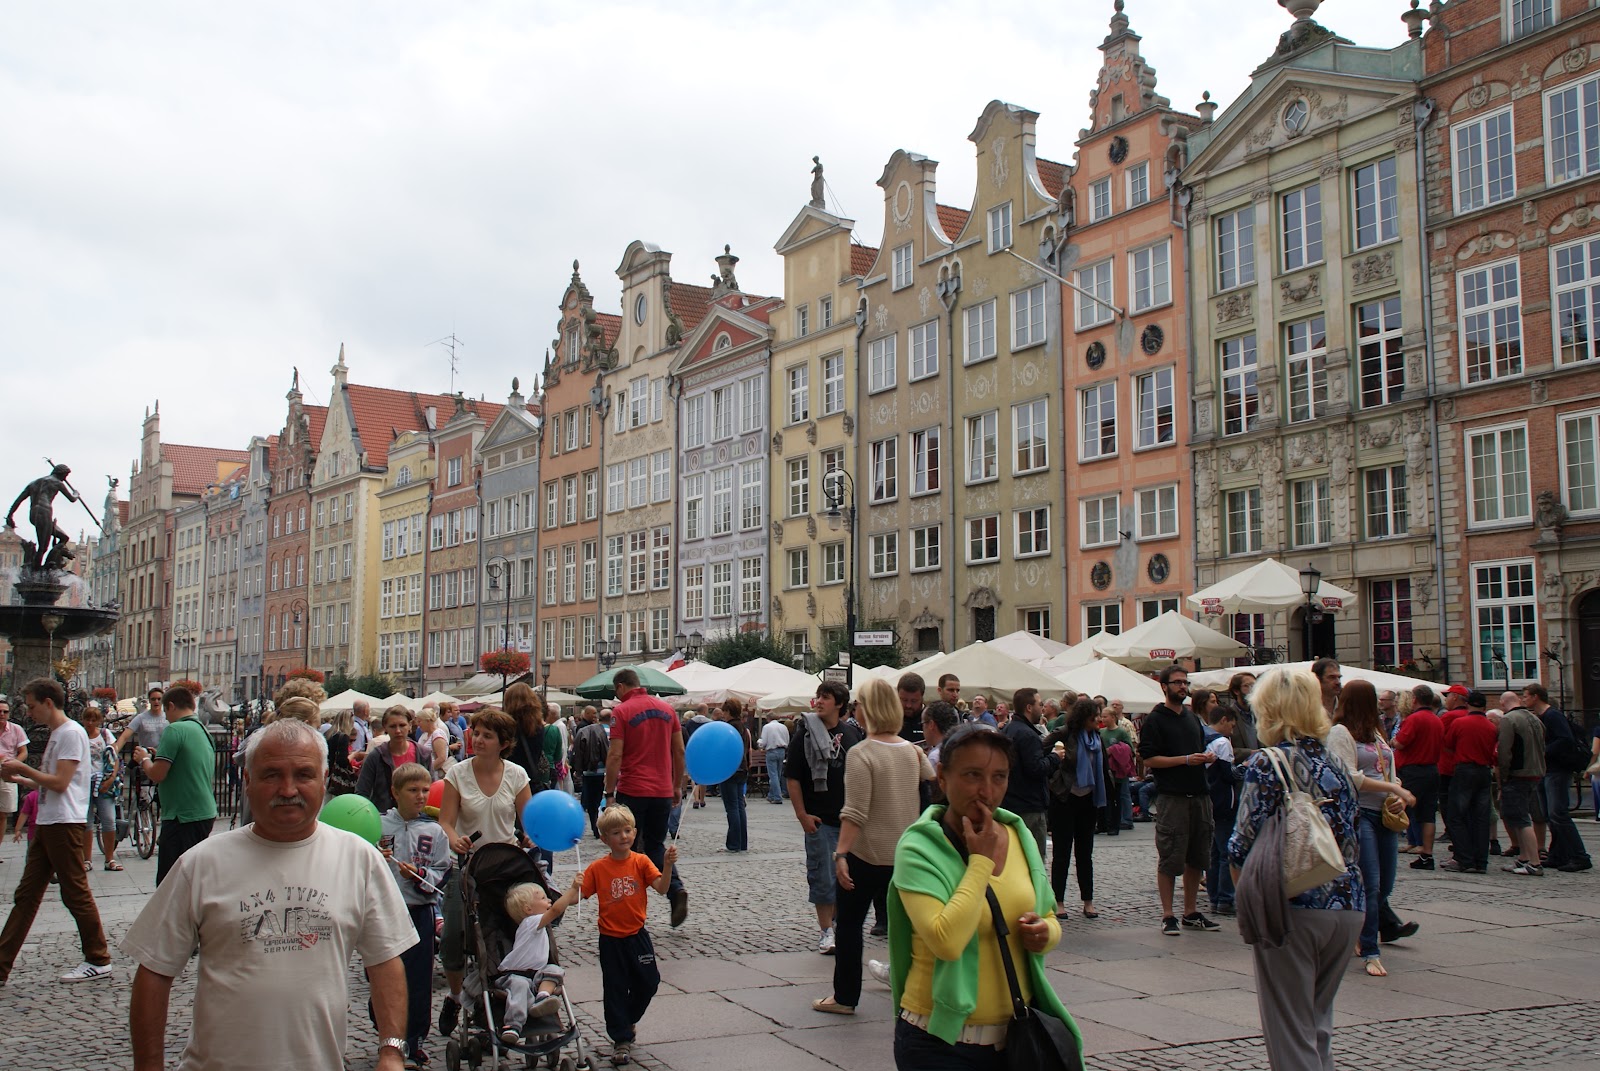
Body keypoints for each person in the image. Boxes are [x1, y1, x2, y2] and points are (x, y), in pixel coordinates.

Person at [124, 717, 418, 1071]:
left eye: (304, 775)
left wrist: (391, 1050)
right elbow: (155, 970)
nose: (288, 789)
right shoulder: (201, 864)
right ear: (247, 782)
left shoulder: (359, 858)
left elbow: (384, 960)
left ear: (324, 780)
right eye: (271, 775)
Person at [887, 722, 1079, 1069]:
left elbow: (1047, 913)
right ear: (943, 776)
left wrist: (1044, 932)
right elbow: (945, 940)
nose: (986, 791)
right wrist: (980, 863)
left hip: (1015, 1040)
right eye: (973, 775)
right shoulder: (918, 847)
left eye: (999, 777)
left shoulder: (1018, 834)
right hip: (940, 1045)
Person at [1228, 668, 1364, 1071]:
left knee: (1290, 1032)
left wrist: (1246, 901)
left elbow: (1241, 843)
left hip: (1292, 904)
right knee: (1317, 1026)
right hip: (1346, 905)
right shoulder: (1337, 763)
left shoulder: (1268, 762)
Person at [812, 678, 933, 1016]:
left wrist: (841, 853)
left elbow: (855, 812)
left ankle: (845, 997)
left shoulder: (862, 753)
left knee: (850, 926)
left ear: (870, 709)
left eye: (859, 705)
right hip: (904, 854)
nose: (855, 711)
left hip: (866, 854)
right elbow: (933, 778)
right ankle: (915, 991)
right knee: (907, 927)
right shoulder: (912, 751)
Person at [0, 678, 113, 984]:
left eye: (33, 706)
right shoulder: (59, 733)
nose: (30, 712)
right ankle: (1, 965)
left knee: (74, 892)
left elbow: (61, 783)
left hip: (64, 822)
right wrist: (21, 778)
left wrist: (23, 770)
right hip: (51, 821)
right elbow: (52, 781)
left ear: (48, 703)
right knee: (27, 895)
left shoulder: (71, 733)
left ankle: (98, 958)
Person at [436, 708, 534, 1036]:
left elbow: (528, 819)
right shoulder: (457, 774)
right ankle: (455, 995)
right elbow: (446, 822)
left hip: (505, 866)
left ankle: (510, 996)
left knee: (507, 936)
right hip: (466, 867)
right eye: (475, 732)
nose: (477, 739)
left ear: (503, 743)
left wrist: (529, 834)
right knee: (452, 939)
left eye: (486, 735)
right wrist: (455, 839)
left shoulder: (517, 775)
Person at [1326, 680, 1419, 976]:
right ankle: (1370, 950)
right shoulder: (1340, 733)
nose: (1381, 703)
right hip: (1360, 813)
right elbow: (1350, 776)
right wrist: (1394, 788)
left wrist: (1397, 794)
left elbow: (1390, 769)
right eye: (1374, 699)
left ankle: (1355, 930)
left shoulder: (1377, 734)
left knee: (1386, 884)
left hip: (1384, 812)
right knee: (1371, 882)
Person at [577, 804, 678, 1066]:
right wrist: (566, 896)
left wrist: (666, 865)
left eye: (627, 830)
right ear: (604, 839)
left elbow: (662, 888)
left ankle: (627, 1019)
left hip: (637, 935)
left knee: (649, 982)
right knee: (615, 989)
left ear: (635, 832)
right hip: (610, 939)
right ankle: (621, 1038)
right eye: (616, 833)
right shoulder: (599, 868)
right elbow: (580, 894)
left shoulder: (642, 861)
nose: (623, 836)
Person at [1138, 665, 1219, 936]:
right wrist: (1184, 760)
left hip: (1199, 793)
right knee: (1171, 856)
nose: (1182, 687)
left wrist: (1206, 757)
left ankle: (1191, 911)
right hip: (1173, 797)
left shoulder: (1191, 718)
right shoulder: (1155, 720)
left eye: (1185, 682)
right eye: (1177, 683)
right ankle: (1168, 914)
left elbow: (1197, 749)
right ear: (1164, 686)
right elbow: (1148, 759)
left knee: (1198, 856)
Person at [605, 668, 688, 928]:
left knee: (624, 846)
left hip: (633, 788)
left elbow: (615, 755)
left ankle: (630, 906)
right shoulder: (667, 710)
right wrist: (676, 785)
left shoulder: (621, 711)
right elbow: (679, 751)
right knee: (654, 845)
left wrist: (609, 793)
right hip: (662, 790)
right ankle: (675, 890)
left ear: (621, 687)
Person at [380, 762, 451, 1066]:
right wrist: (376, 856)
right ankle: (386, 1031)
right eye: (413, 790)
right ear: (396, 793)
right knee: (385, 978)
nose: (421, 796)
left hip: (420, 911)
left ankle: (414, 1039)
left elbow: (442, 870)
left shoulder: (434, 831)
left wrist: (420, 875)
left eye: (425, 790)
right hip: (387, 913)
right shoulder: (380, 826)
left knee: (419, 980)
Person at [786, 680, 863, 957]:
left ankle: (842, 926)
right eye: (818, 696)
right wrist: (801, 814)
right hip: (819, 818)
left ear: (840, 704)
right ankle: (825, 931)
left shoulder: (851, 735)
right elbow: (793, 777)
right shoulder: (804, 734)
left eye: (826, 697)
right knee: (822, 876)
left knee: (848, 877)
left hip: (849, 819)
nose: (819, 701)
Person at [132, 684, 220, 885]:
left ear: (171, 706)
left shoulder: (175, 729)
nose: (165, 717)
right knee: (192, 877)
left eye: (165, 711)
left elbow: (157, 774)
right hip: (203, 811)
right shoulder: (202, 730)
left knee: (168, 882)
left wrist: (144, 759)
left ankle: (174, 917)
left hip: (182, 815)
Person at [1043, 696, 1104, 920]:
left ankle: (1088, 901)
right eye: (1094, 716)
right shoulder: (1063, 733)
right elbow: (1042, 755)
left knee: (1085, 853)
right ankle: (1058, 901)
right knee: (1062, 853)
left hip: (1088, 799)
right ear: (1083, 717)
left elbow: (1102, 767)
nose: (1098, 719)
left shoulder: (1096, 737)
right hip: (1065, 799)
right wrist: (1055, 779)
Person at [499, 878, 579, 1045]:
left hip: (536, 974)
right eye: (543, 898)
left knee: (555, 969)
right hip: (516, 974)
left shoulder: (537, 922)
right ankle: (513, 1025)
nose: (549, 900)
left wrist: (579, 890)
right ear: (528, 909)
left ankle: (542, 998)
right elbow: (557, 909)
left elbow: (567, 902)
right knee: (520, 987)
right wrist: (572, 888)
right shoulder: (531, 922)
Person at [1524, 684, 1592, 872]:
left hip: (1558, 770)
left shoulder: (1553, 716)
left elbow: (1565, 739)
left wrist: (1543, 751)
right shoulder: (1543, 717)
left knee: (1558, 814)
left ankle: (1580, 856)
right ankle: (1558, 854)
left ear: (1536, 697)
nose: (1524, 700)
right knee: (1550, 815)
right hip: (1548, 770)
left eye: (1526, 696)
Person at [1440, 692, 1498, 874]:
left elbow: (1448, 744)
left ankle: (1465, 859)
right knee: (1481, 817)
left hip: (1464, 770)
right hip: (1484, 771)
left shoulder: (1459, 723)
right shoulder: (1491, 726)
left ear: (1468, 704)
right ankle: (1481, 861)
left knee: (1456, 816)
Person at [1000, 687, 1058, 862]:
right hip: (1029, 805)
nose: (1042, 708)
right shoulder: (1027, 735)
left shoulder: (1008, 730)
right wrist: (1055, 757)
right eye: (1039, 704)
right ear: (1029, 707)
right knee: (1034, 861)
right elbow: (1036, 769)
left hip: (1011, 802)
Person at [1395, 684, 1444, 871]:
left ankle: (1396, 845)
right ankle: (1427, 853)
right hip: (1432, 769)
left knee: (1401, 806)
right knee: (1428, 815)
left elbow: (1400, 743)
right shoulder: (1436, 719)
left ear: (1414, 699)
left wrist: (1391, 741)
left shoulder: (1414, 719)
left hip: (1413, 770)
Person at [1498, 699, 1547, 877]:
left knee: (1521, 819)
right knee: (1520, 817)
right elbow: (1542, 746)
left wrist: (1503, 775)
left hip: (1518, 774)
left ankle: (1534, 862)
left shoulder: (1509, 719)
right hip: (1536, 772)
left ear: (1503, 703)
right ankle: (1524, 858)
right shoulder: (1535, 719)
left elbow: (1504, 750)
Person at [357, 705, 431, 815]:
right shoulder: (376, 756)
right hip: (384, 820)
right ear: (385, 728)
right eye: (392, 726)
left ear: (410, 725)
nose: (398, 731)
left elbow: (431, 788)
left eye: (402, 725)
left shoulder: (423, 754)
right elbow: (362, 791)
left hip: (418, 819)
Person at [1202, 703, 1239, 918]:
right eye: (1232, 726)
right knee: (1226, 852)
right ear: (1223, 720)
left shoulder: (1202, 736)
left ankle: (1214, 898)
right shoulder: (1222, 742)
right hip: (1224, 802)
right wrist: (1244, 769)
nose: (1232, 731)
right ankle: (1226, 898)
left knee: (1214, 854)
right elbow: (1228, 774)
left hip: (1208, 801)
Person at [79, 703, 123, 871]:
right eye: (87, 719)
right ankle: (87, 860)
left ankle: (109, 859)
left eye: (93, 720)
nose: (90, 723)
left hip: (104, 781)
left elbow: (115, 757)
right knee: (87, 822)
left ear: (98, 721)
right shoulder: (80, 735)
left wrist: (111, 778)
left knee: (109, 820)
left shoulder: (105, 736)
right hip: (85, 782)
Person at [571, 706, 611, 838]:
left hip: (589, 771)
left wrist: (579, 769)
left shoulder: (585, 730)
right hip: (606, 771)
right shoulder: (611, 731)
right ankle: (606, 826)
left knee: (593, 801)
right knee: (605, 799)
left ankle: (595, 826)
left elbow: (577, 752)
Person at [718, 698, 751, 852]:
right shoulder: (743, 728)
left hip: (729, 770)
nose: (723, 714)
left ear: (729, 711)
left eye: (724, 711)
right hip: (742, 768)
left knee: (732, 807)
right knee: (739, 807)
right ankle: (742, 842)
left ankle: (733, 844)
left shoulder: (729, 728)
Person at [1099, 706, 1136, 836]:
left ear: (1113, 717)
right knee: (1106, 797)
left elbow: (1130, 750)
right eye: (1102, 716)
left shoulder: (1121, 732)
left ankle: (1120, 821)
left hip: (1118, 770)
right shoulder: (1101, 732)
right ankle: (1104, 823)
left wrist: (1115, 750)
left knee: (1119, 796)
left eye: (1105, 716)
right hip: (1104, 768)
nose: (1103, 719)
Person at [0, 695, 26, 836]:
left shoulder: (16, 729)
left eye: (5, 712)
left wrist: (14, 764)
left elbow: (23, 752)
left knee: (3, 813)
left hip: (8, 772)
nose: (2, 714)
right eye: (0, 711)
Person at [759, 713, 790, 804]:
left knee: (773, 775)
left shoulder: (767, 727)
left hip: (771, 751)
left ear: (768, 719)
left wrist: (760, 744)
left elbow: (763, 741)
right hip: (782, 751)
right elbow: (787, 740)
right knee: (778, 774)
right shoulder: (783, 727)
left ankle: (777, 797)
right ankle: (771, 795)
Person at [416, 706, 452, 777]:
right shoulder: (425, 735)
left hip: (434, 775)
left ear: (428, 721)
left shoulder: (437, 734)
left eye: (420, 721)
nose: (418, 724)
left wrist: (427, 770)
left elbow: (442, 758)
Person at [896, 672, 927, 743]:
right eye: (904, 700)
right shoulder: (887, 719)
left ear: (922, 698)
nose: (908, 705)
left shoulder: (931, 719)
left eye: (914, 701)